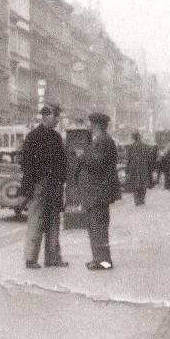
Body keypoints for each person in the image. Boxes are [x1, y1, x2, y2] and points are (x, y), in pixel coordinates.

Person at [19, 104, 69, 269]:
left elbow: (62, 162)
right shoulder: (33, 137)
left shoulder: (55, 137)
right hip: (39, 184)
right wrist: (31, 186)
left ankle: (52, 258)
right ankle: (31, 259)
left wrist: (62, 181)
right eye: (56, 118)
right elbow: (26, 164)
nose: (57, 121)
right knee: (37, 220)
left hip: (53, 184)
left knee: (54, 220)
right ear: (47, 116)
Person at [75, 112, 120, 270]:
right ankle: (99, 259)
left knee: (98, 227)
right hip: (97, 192)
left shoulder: (103, 141)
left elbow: (98, 163)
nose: (89, 127)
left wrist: (82, 156)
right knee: (96, 226)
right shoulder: (102, 140)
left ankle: (103, 261)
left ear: (96, 125)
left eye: (91, 124)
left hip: (98, 192)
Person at [126, 132, 152, 205]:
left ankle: (136, 200)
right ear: (140, 137)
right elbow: (149, 158)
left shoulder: (130, 147)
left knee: (135, 183)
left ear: (134, 138)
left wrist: (127, 169)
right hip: (144, 167)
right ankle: (142, 199)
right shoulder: (146, 146)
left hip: (133, 167)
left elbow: (128, 159)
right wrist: (150, 168)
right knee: (143, 182)